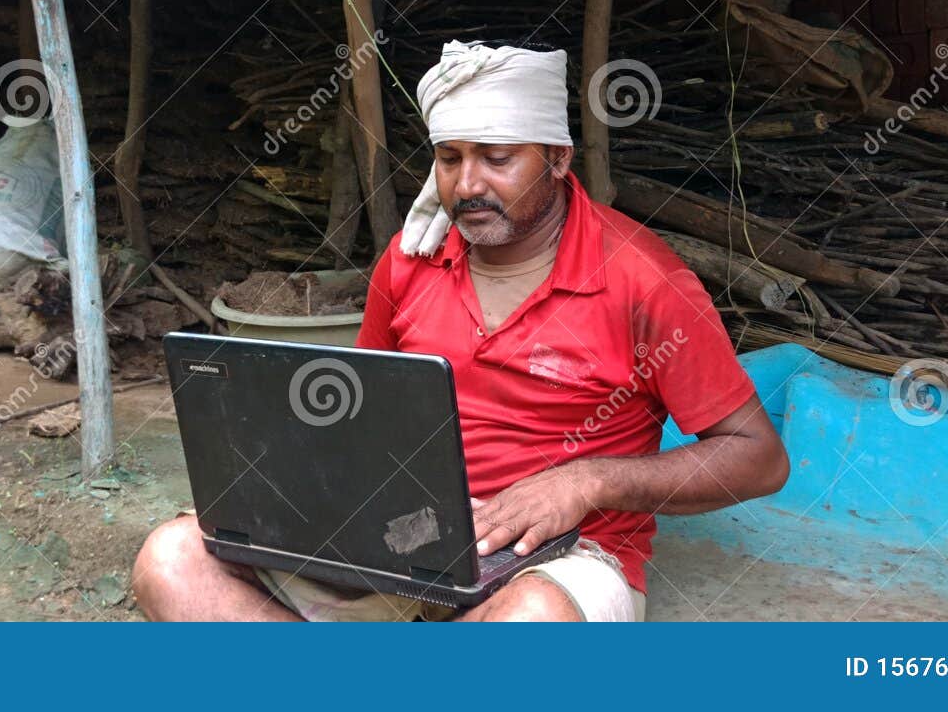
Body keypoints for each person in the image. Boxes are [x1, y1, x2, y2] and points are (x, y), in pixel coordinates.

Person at [133, 41, 789, 621]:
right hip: (400, 535)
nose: (467, 185)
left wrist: (587, 482)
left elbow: (758, 458)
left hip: (557, 556)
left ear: (559, 159)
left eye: (497, 158)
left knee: (532, 623)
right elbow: (361, 412)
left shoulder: (645, 283)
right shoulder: (409, 262)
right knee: (171, 560)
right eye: (449, 159)